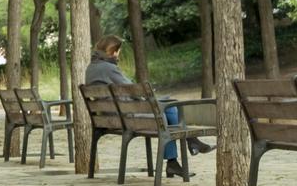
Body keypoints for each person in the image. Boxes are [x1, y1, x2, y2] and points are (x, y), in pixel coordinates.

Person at [86, 35, 214, 177]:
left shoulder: (91, 68)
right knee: (168, 110)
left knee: (168, 109)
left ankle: (182, 153)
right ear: (113, 51)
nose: (119, 55)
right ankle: (187, 146)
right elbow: (133, 89)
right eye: (119, 51)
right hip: (127, 117)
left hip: (110, 117)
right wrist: (151, 98)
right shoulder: (109, 68)